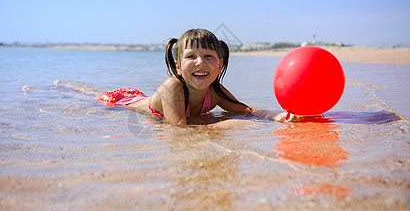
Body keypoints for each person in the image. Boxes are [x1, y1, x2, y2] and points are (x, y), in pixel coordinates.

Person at [100, 28, 298, 126]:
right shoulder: (173, 86)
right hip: (119, 100)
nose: (200, 62)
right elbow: (178, 130)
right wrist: (222, 126)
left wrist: (278, 116)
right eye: (191, 57)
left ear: (219, 65)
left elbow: (248, 110)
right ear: (178, 67)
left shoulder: (216, 92)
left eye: (208, 56)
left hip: (134, 95)